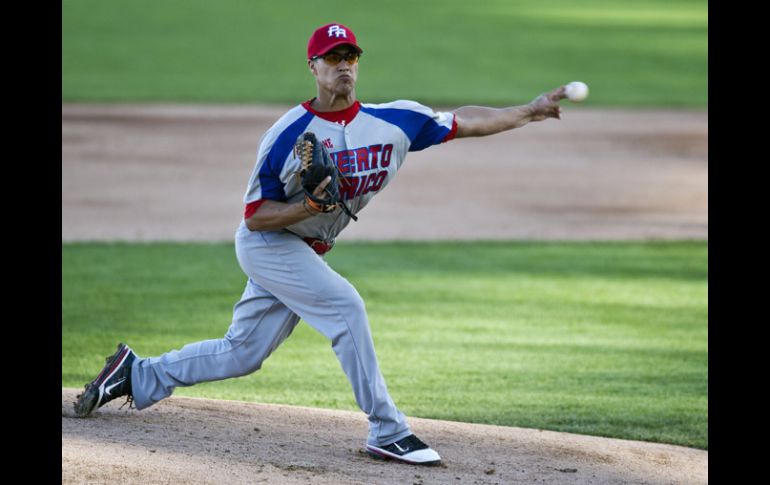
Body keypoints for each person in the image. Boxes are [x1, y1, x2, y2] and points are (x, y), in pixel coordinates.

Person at [74, 22, 568, 466]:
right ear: (313, 67)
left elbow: (464, 122)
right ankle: (388, 429)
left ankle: (137, 375)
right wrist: (307, 210)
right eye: (332, 58)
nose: (343, 66)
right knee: (346, 307)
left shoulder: (394, 121)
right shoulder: (288, 133)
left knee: (242, 352)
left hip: (305, 250)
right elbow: (257, 218)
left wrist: (529, 110)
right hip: (270, 244)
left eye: (350, 57)